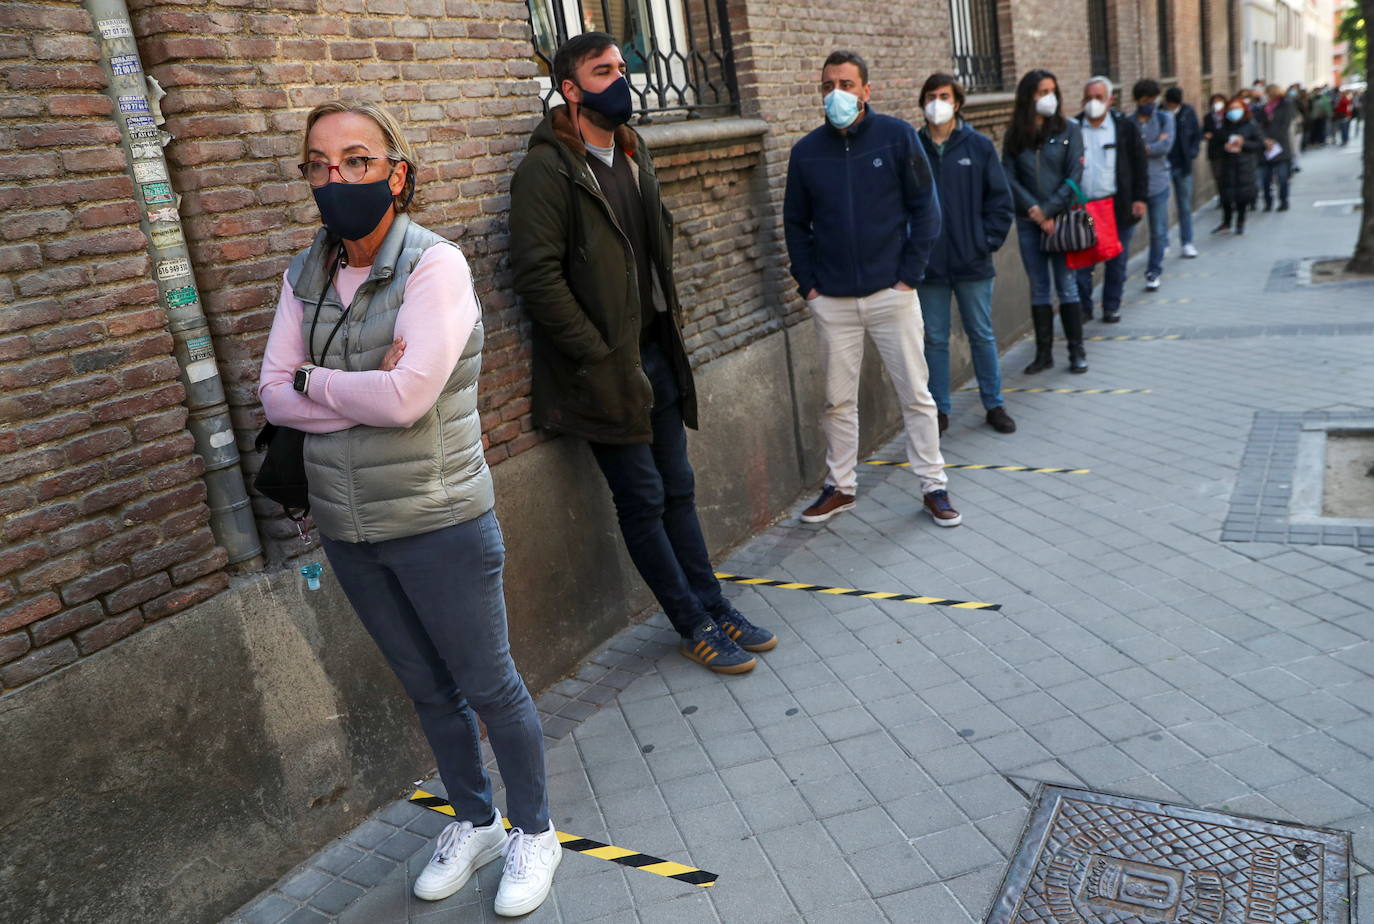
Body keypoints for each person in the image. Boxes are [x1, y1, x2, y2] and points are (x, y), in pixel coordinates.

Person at [258, 102, 558, 917]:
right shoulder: (304, 273)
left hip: (439, 519)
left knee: (489, 685)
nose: (336, 179)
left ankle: (535, 831)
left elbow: (407, 399)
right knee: (428, 689)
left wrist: (316, 382)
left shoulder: (435, 267)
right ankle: (476, 820)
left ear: (397, 171)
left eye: (357, 161)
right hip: (349, 526)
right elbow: (270, 396)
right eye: (319, 164)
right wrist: (351, 390)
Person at [508, 33, 775, 674]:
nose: (621, 79)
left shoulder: (632, 150)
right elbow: (536, 276)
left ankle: (714, 605)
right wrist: (598, 354)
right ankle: (691, 623)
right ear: (570, 89)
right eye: (604, 71)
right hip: (604, 371)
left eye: (622, 67)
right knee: (644, 501)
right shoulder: (547, 170)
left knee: (678, 490)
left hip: (657, 351)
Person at [784, 50, 959, 527]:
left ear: (866, 90)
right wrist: (810, 287)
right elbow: (796, 225)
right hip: (833, 300)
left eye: (845, 83)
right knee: (837, 400)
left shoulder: (897, 137)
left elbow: (927, 210)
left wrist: (908, 278)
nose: (835, 93)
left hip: (891, 293)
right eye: (827, 85)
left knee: (916, 394)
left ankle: (933, 485)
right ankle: (840, 487)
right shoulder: (806, 152)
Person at [914, 73, 1016, 434]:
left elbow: (1001, 201)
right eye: (930, 96)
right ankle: (939, 410)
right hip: (929, 265)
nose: (936, 102)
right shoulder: (912, 147)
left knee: (982, 334)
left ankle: (994, 404)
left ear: (957, 102)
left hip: (972, 261)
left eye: (943, 95)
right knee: (935, 339)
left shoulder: (978, 146)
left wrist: (984, 241)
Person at [1001, 68, 1086, 374]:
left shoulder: (1069, 129)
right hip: (1028, 222)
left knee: (1067, 286)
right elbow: (1008, 176)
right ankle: (1043, 354)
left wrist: (1049, 209)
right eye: (1041, 92)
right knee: (1039, 288)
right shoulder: (1016, 134)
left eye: (1052, 91)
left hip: (1063, 220)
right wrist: (1034, 210)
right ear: (1028, 97)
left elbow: (1074, 175)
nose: (1048, 97)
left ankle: (1077, 351)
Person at [1072, 76, 1146, 324]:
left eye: (1099, 98)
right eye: (1089, 98)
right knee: (1082, 261)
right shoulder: (1072, 128)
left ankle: (1111, 305)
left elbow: (1139, 164)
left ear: (1110, 100)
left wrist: (1139, 198)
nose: (1093, 103)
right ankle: (1084, 306)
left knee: (1116, 259)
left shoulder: (1124, 127)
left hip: (1116, 205)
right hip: (1082, 208)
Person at [1131, 79, 1174, 291]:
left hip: (1158, 182)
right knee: (1128, 231)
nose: (1150, 104)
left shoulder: (1165, 119)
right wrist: (1149, 147)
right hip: (1133, 185)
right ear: (1136, 100)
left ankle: (1153, 271)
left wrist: (1143, 148)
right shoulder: (1129, 123)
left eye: (1153, 99)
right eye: (1146, 100)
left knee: (1157, 230)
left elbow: (1165, 145)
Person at [1211, 95, 1263, 235]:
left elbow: (1259, 144)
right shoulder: (1223, 126)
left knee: (1242, 196)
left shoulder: (1251, 124)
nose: (1234, 111)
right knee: (1226, 195)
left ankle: (1240, 221)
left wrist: (1243, 144)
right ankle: (1226, 222)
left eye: (1237, 108)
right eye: (1231, 108)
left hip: (1244, 165)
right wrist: (1225, 147)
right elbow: (1215, 146)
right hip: (1227, 165)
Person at [1162, 86, 1200, 258]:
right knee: (1162, 207)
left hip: (1183, 165)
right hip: (1164, 165)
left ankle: (1187, 242)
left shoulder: (1187, 112)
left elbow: (1195, 135)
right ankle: (1163, 243)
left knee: (1184, 206)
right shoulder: (1160, 113)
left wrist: (1192, 152)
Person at [1256, 84, 1296, 212]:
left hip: (1280, 146)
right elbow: (1257, 125)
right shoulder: (1262, 107)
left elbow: (1285, 125)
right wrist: (1265, 140)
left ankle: (1283, 201)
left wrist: (1273, 140)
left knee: (1282, 177)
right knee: (1265, 178)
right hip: (1265, 148)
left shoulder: (1286, 105)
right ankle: (1268, 202)